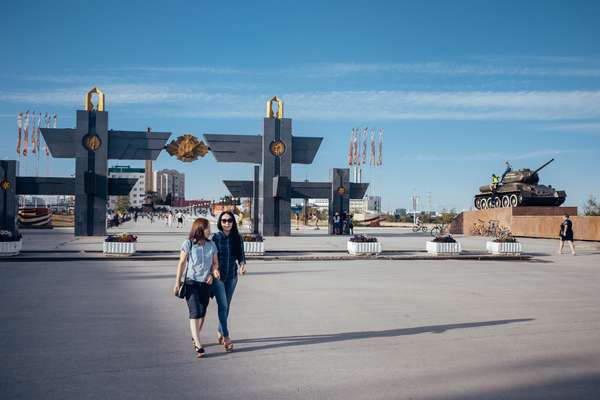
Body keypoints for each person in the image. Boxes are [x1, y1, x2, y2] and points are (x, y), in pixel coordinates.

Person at [173, 218, 220, 357]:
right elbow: (181, 263)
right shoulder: (188, 244)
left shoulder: (212, 245)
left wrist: (213, 272)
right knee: (195, 312)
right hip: (191, 282)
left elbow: (215, 263)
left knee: (202, 312)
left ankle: (195, 336)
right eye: (207, 228)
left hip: (206, 283)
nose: (210, 231)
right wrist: (177, 282)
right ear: (199, 229)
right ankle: (198, 344)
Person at [211, 211, 247, 352]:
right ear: (220, 222)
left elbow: (241, 256)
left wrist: (243, 265)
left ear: (233, 222)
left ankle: (220, 330)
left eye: (230, 220)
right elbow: (211, 257)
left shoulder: (237, 238)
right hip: (218, 277)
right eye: (224, 220)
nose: (227, 223)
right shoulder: (216, 238)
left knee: (227, 305)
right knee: (223, 305)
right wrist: (213, 269)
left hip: (232, 276)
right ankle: (226, 336)